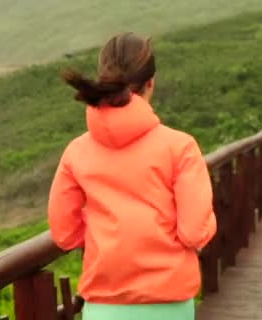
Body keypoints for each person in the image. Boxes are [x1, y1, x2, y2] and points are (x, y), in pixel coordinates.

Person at [48, 32, 216, 320]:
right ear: (151, 83)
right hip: (169, 302)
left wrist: (104, 237)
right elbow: (193, 232)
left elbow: (64, 234)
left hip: (104, 303)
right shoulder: (180, 147)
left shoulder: (76, 151)